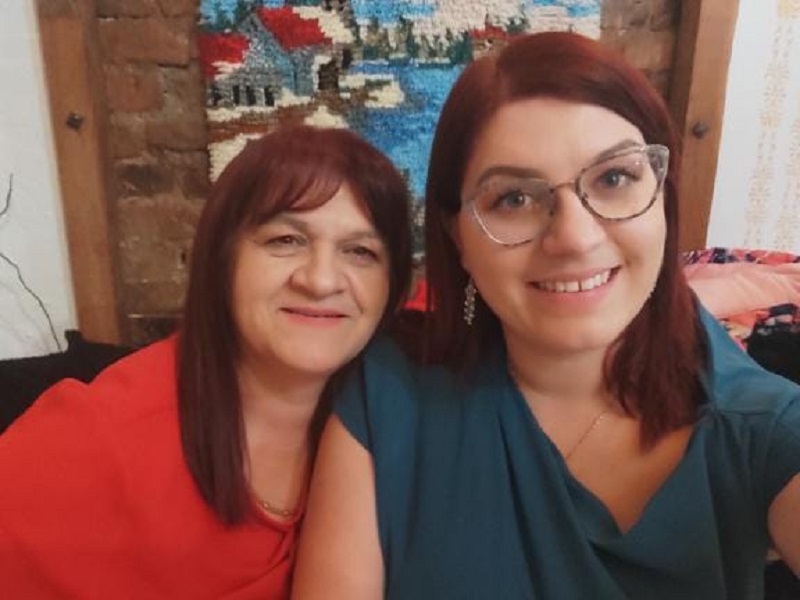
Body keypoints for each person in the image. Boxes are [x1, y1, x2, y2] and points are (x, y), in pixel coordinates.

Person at [292, 32, 800, 599]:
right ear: (457, 237)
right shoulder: (388, 394)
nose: (575, 238)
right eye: (514, 198)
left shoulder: (763, 425)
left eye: (614, 178)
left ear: (663, 195)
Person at [0, 125, 413, 598]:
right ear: (223, 257)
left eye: (360, 252)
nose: (321, 281)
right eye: (285, 240)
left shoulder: (384, 423)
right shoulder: (96, 439)